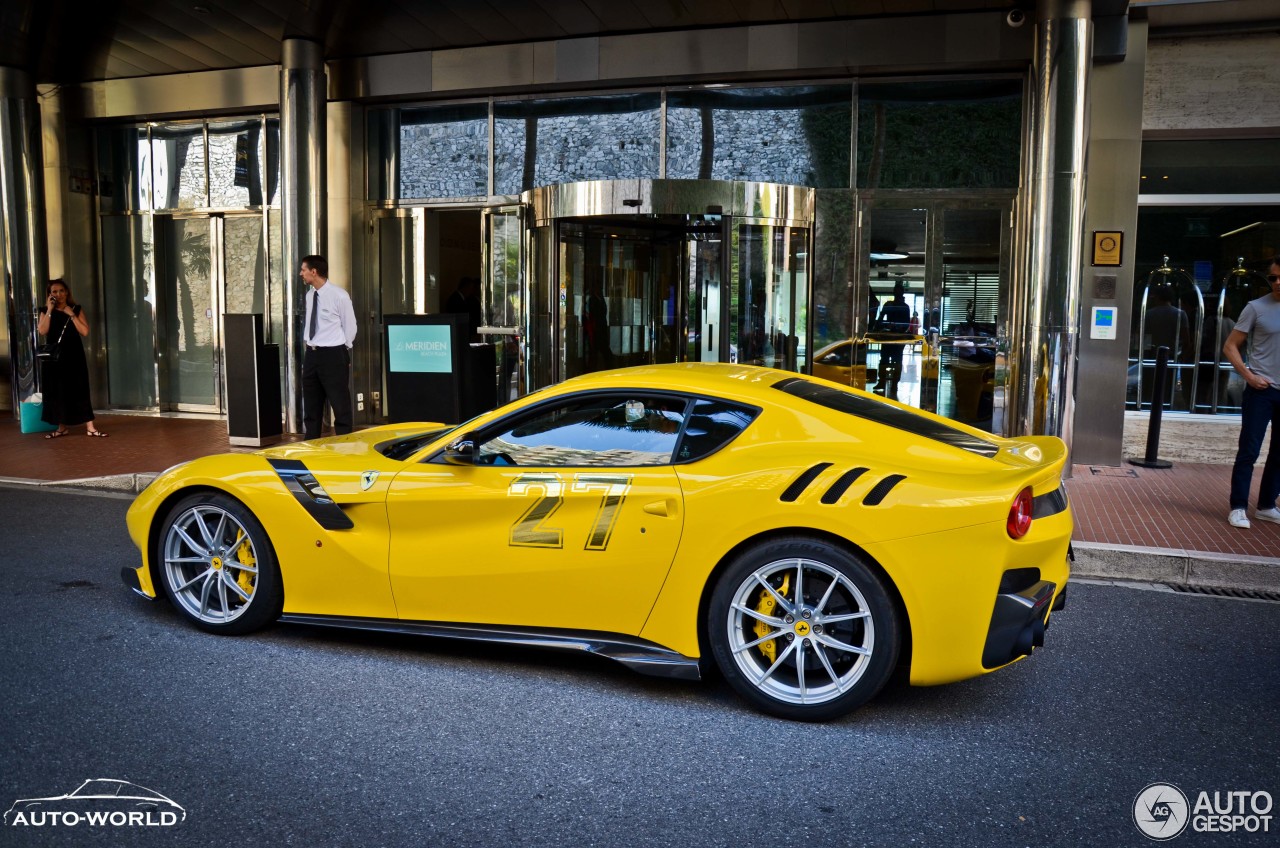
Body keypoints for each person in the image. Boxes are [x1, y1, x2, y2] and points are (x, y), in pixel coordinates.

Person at [1221, 257, 1280, 529]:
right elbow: (1230, 346)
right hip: (1261, 391)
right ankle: (1238, 506)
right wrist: (1249, 376)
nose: (1277, 282)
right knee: (1249, 450)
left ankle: (1267, 505)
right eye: (1273, 278)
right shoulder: (1255, 308)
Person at [36, 279, 106, 438]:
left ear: (67, 292)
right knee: (58, 391)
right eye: (54, 292)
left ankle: (90, 427)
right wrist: (49, 309)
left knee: (80, 388)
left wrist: (71, 315)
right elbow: (42, 330)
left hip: (74, 356)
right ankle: (62, 427)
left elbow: (85, 331)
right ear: (50, 295)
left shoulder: (75, 309)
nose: (58, 294)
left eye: (61, 291)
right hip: (55, 359)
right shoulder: (45, 311)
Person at [300, 254, 357, 440]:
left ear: (313, 272)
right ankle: (311, 443)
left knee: (339, 403)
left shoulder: (339, 295)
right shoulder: (310, 295)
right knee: (311, 403)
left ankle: (345, 442)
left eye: (303, 270)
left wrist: (344, 350)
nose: (301, 274)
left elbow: (350, 326)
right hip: (312, 354)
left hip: (333, 354)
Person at [874, 282, 911, 398]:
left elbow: (906, 324)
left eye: (899, 291)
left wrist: (896, 328)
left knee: (896, 360)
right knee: (884, 359)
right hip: (889, 337)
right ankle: (882, 381)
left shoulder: (904, 307)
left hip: (898, 338)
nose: (898, 294)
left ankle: (894, 383)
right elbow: (880, 319)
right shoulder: (889, 304)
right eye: (897, 291)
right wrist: (882, 327)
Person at [445, 276, 483, 342]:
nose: (471, 291)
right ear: (465, 287)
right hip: (459, 333)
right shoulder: (456, 299)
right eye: (470, 288)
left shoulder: (460, 299)